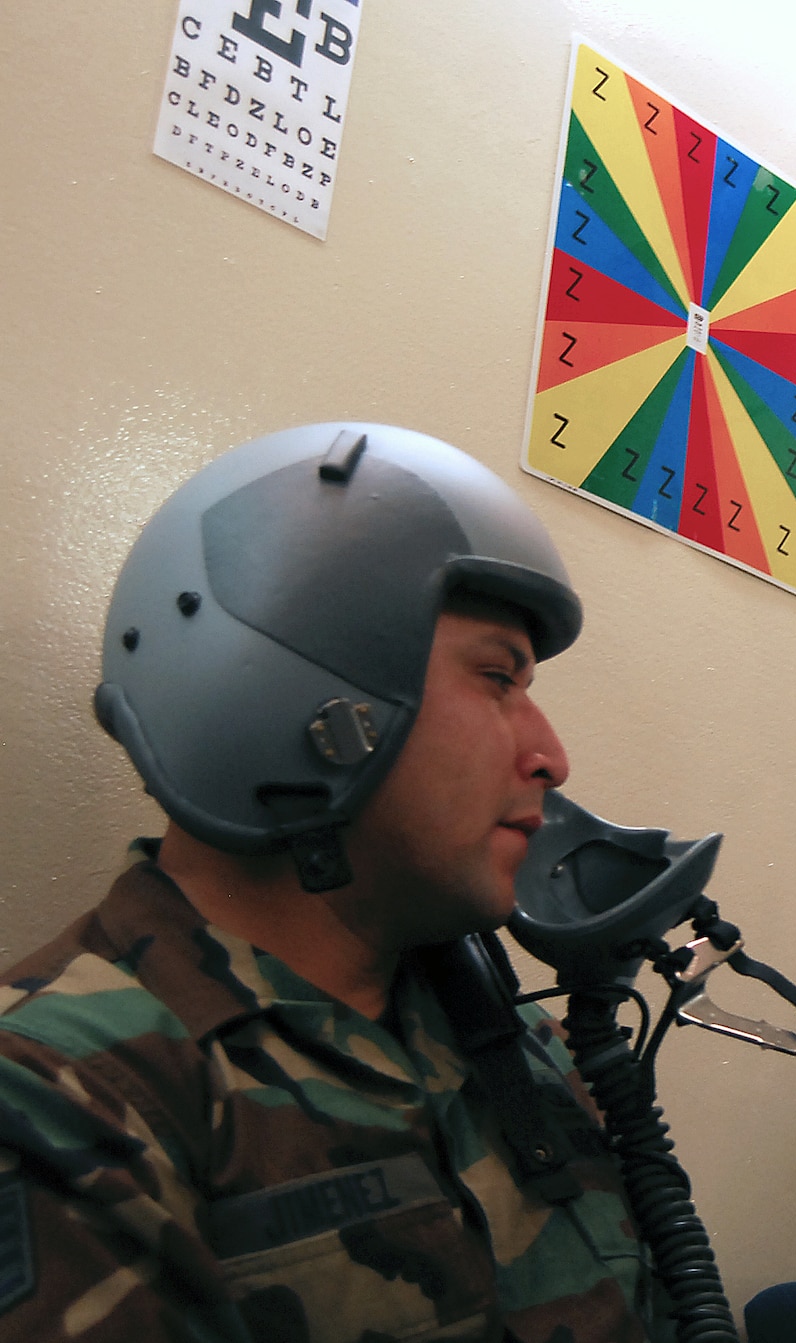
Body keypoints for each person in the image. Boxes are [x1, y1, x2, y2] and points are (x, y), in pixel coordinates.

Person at [0, 424, 665, 1341]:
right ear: (300, 700)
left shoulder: (515, 1042)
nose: (551, 756)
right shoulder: (59, 1100)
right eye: (497, 678)